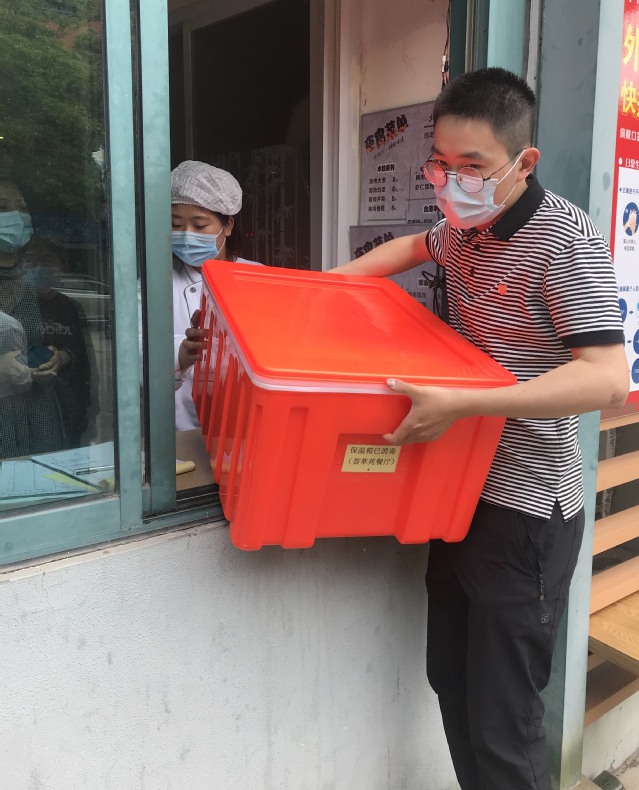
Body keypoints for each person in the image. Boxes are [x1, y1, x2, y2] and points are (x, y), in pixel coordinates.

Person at [332, 68, 629, 790]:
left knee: (503, 721)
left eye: (472, 167)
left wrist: (466, 403)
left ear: (523, 163)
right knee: (452, 681)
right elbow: (412, 246)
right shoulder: (466, 227)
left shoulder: (564, 241)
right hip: (458, 491)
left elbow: (606, 379)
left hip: (526, 509)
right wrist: (321, 290)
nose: (451, 183)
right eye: (440, 164)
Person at [170, 160, 261, 431]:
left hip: (245, 425)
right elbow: (135, 353)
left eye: (199, 226)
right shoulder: (153, 286)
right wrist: (181, 354)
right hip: (179, 429)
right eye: (175, 224)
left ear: (228, 225)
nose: (187, 235)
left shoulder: (258, 280)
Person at [0, 181, 77, 457]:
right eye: (3, 208)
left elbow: (68, 341)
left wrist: (61, 358)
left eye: (22, 208)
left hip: (40, 415)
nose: (16, 216)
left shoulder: (35, 280)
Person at [23, 234, 99, 445]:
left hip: (68, 405)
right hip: (27, 405)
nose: (38, 267)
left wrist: (64, 357)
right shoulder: (18, 304)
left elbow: (85, 359)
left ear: (62, 268)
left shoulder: (71, 307)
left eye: (46, 260)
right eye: (31, 259)